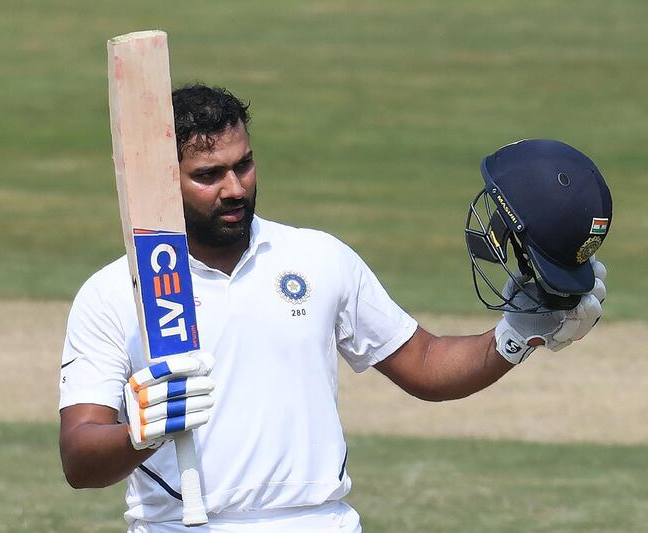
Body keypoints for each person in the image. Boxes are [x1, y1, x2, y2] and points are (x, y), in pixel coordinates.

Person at [59, 85, 611, 532]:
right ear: (161, 181)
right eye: (208, 175)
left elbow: (424, 364)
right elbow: (80, 459)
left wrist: (516, 336)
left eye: (244, 165)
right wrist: (140, 433)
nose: (235, 189)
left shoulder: (318, 258)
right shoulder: (114, 293)